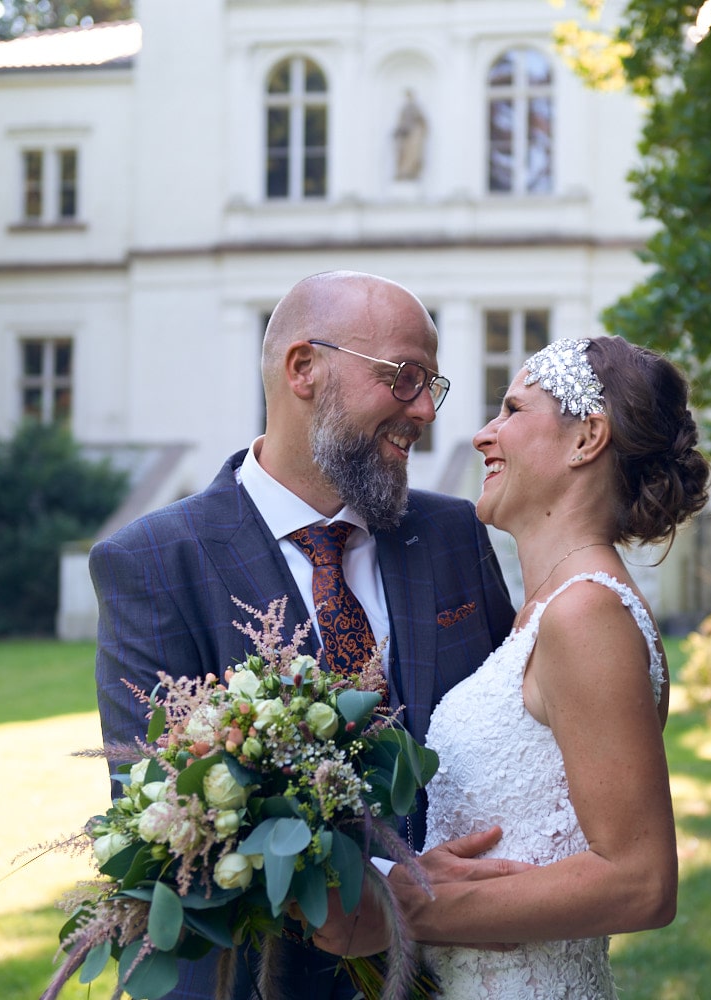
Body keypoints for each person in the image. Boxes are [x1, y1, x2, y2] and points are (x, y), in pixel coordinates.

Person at [89, 270, 518, 1000]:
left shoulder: (453, 534)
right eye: (406, 378)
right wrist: (395, 892)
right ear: (304, 369)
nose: (424, 411)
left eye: (431, 386)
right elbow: (171, 814)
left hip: (468, 969)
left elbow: (519, 728)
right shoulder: (155, 562)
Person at [314, 335, 711, 998]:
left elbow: (641, 881)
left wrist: (406, 911)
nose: (481, 435)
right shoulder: (545, 613)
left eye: (511, 410)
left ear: (588, 438)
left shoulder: (587, 615)